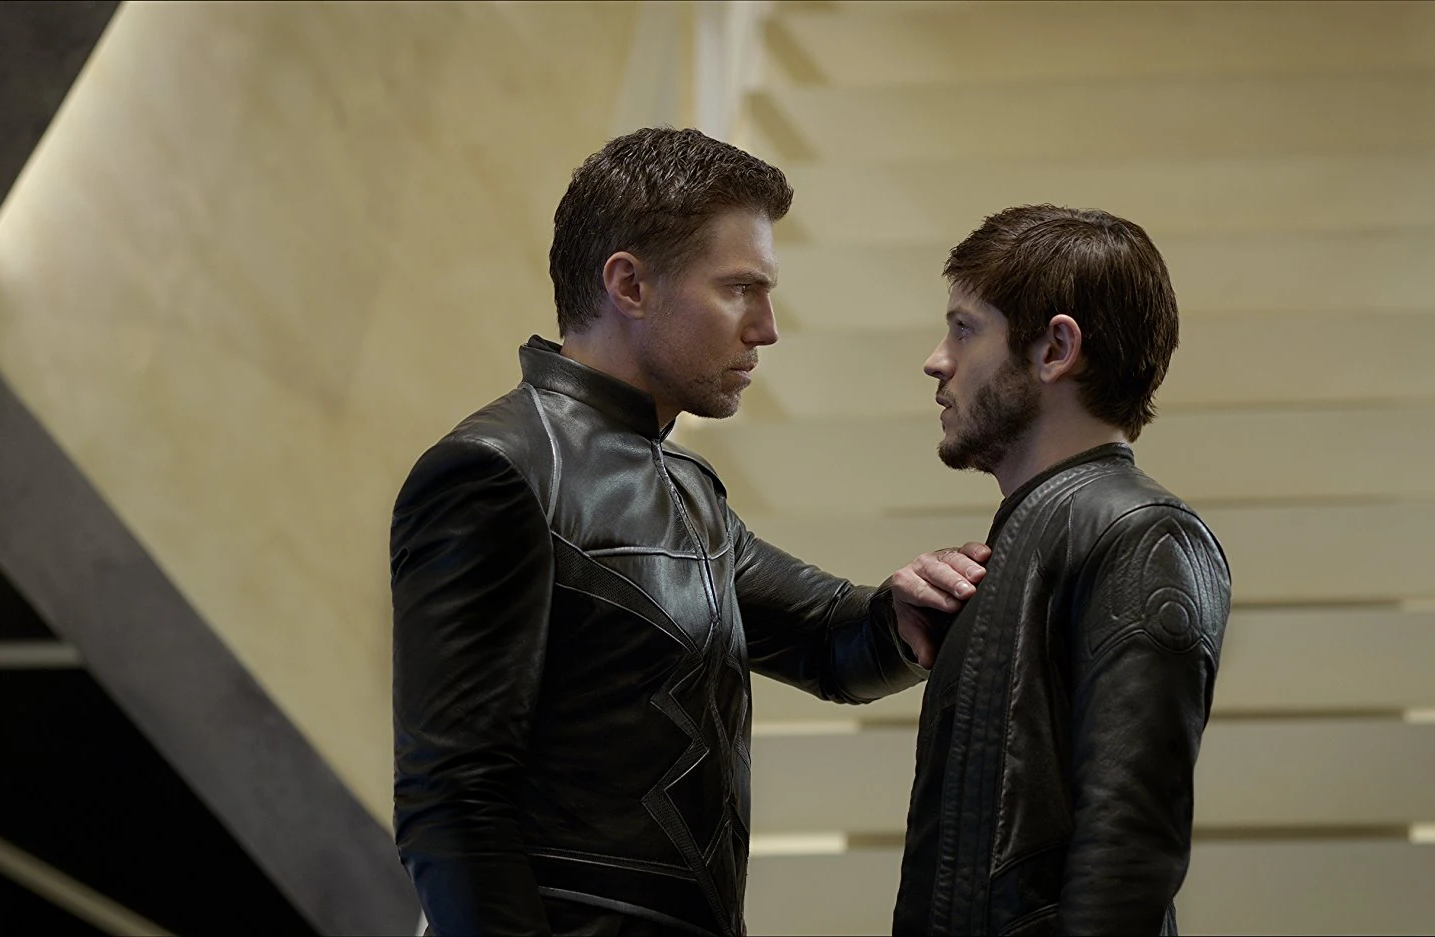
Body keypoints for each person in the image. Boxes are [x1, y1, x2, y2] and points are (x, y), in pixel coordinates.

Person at [389, 127, 989, 937]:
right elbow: (451, 800)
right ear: (629, 284)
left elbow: (827, 637)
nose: (765, 328)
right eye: (740, 289)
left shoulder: (685, 485)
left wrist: (911, 608)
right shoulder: (496, 468)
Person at [892, 205, 1232, 936]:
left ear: (1055, 349)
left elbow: (1127, 851)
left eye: (963, 329)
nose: (937, 360)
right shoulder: (1043, 531)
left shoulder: (1143, 535)